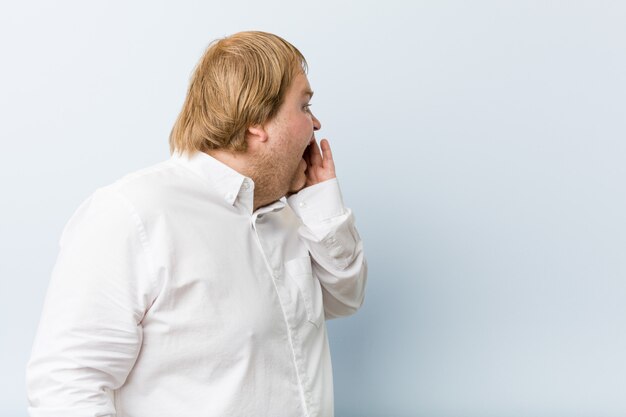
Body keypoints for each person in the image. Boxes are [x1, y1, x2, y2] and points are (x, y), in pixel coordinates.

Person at [26, 31, 367, 417]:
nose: (316, 123)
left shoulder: (290, 216)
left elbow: (346, 298)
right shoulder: (132, 214)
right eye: (304, 106)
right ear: (257, 120)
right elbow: (66, 385)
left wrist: (320, 203)